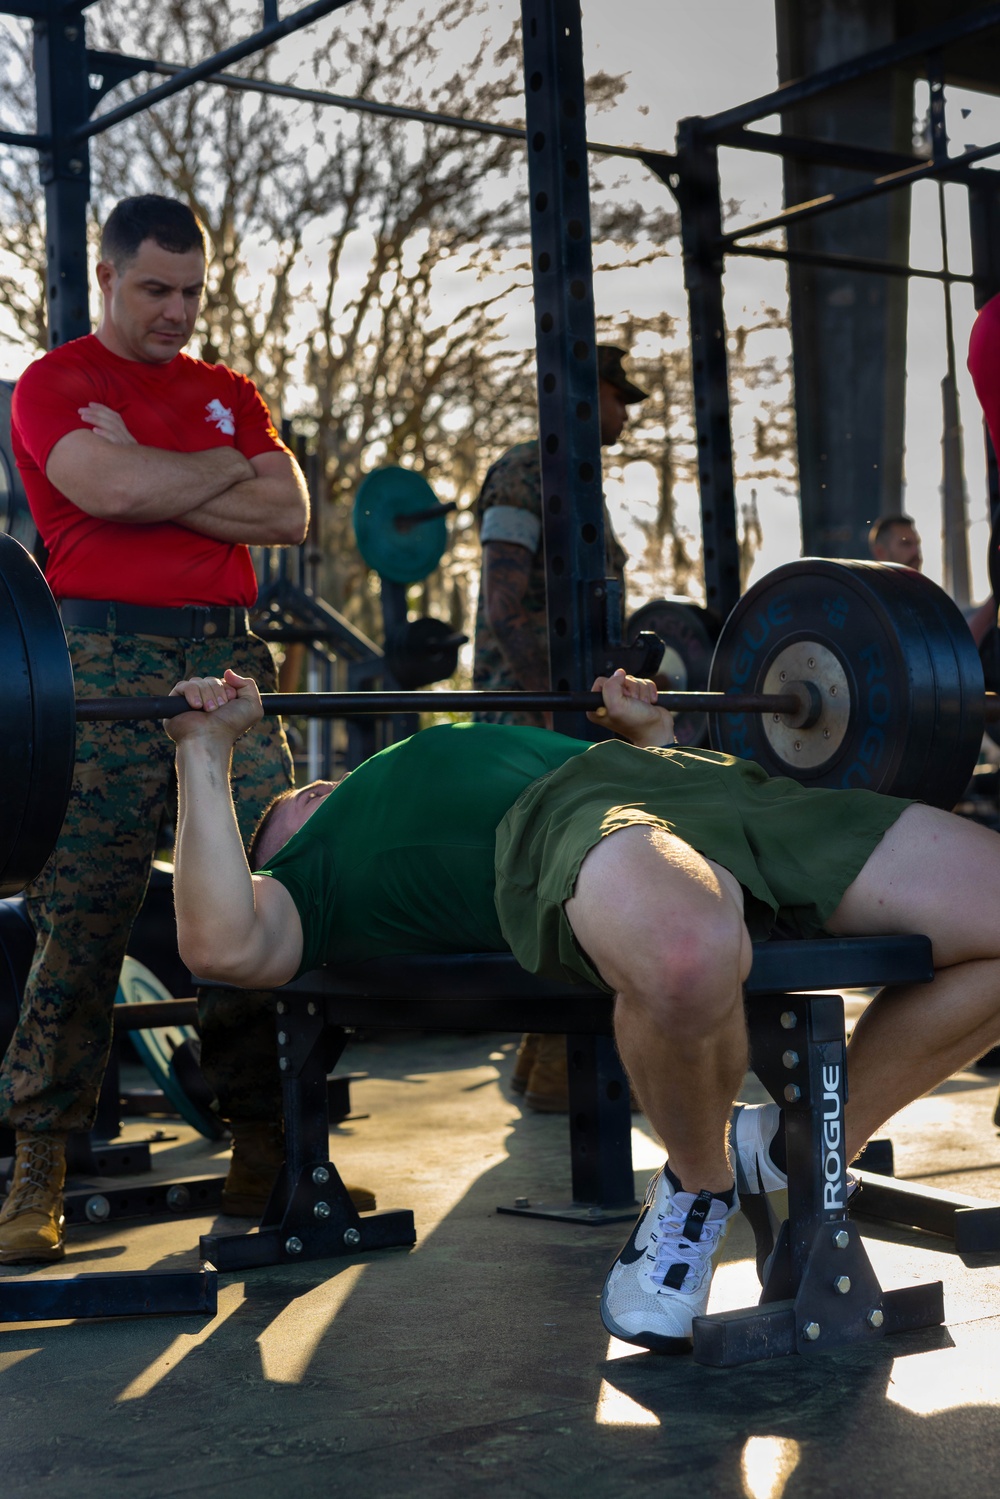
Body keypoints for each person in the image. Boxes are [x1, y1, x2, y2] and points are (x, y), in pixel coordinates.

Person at [164, 665, 1000, 1352]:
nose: (314, 789)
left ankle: (794, 1144)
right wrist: (207, 751)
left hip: (680, 786)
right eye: (292, 805)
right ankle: (699, 1185)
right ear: (278, 849)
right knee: (684, 953)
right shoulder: (318, 878)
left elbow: (651, 811)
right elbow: (220, 943)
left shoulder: (425, 771)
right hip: (567, 822)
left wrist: (651, 735)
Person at [0, 194, 368, 1265]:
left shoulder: (224, 391)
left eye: (192, 292)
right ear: (108, 278)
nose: (175, 311)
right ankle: (39, 1168)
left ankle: (267, 1148)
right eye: (155, 289)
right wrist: (213, 477)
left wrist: (163, 475)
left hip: (225, 657)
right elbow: (101, 488)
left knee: (259, 893)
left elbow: (288, 511)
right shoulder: (55, 384)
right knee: (84, 910)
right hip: (100, 665)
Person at [472, 343, 648, 1109]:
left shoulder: (582, 484)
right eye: (618, 397)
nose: (625, 413)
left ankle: (547, 1067)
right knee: (560, 880)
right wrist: (552, 712)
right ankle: (555, 1070)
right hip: (531, 717)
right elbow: (502, 606)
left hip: (566, 714)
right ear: (589, 395)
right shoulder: (521, 471)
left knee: (571, 881)